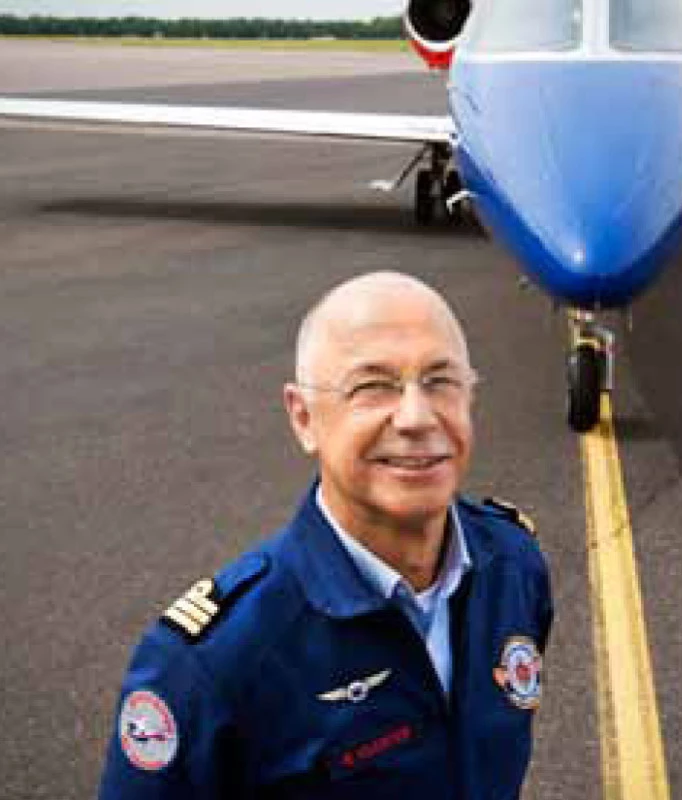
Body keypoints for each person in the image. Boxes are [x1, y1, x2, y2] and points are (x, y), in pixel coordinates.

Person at [97, 271, 553, 800]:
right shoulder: (210, 664)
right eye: (372, 386)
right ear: (303, 417)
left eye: (440, 380)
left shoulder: (515, 566)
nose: (416, 416)